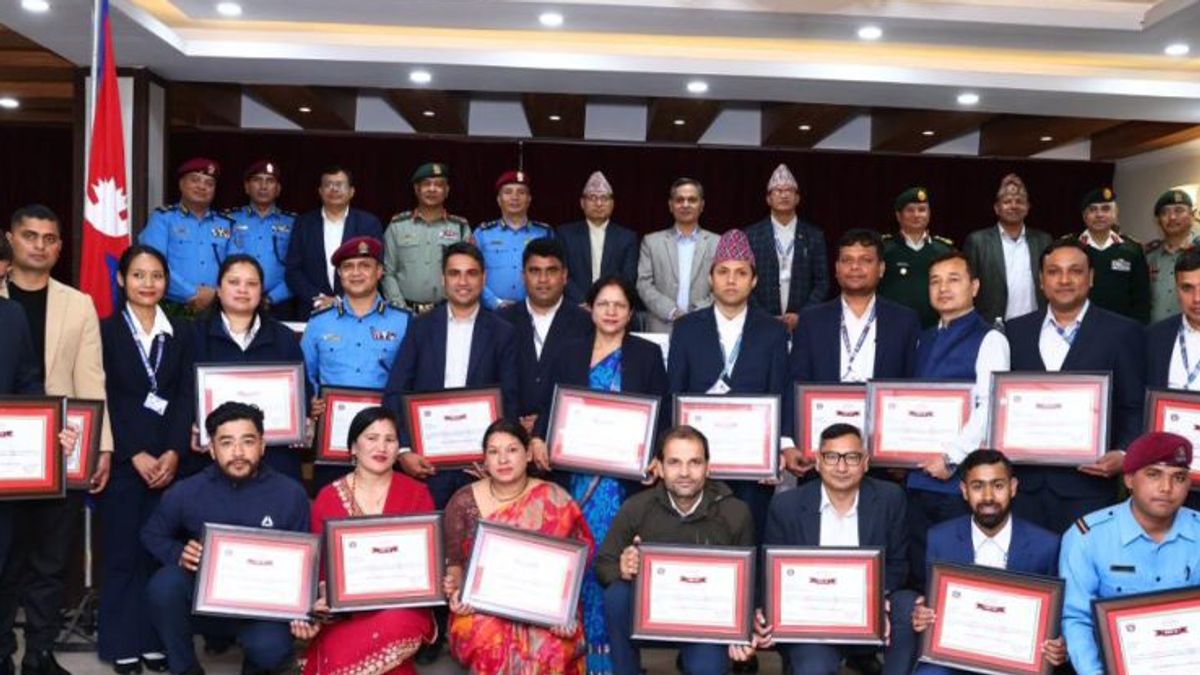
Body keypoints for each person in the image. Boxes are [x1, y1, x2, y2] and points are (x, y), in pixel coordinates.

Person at [529, 275, 669, 673]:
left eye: (619, 305)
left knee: (611, 562)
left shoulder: (646, 354)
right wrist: (537, 439)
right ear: (590, 309)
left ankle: (613, 658)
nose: (611, 312)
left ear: (630, 312)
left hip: (622, 486)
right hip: (574, 480)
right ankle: (574, 654)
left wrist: (658, 456)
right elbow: (547, 405)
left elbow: (662, 411)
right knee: (577, 559)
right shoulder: (567, 351)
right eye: (604, 304)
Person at [0, 204, 112, 675]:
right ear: (11, 239)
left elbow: (91, 378)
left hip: (61, 450)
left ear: (60, 247)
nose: (39, 245)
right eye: (30, 235)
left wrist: (101, 446)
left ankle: (40, 654)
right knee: (5, 561)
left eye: (49, 238)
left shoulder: (77, 302)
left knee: (49, 562)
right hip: (5, 455)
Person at [142, 402, 311, 675]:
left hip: (262, 605)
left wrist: (301, 611)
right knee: (165, 585)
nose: (238, 452)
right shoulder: (187, 491)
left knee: (270, 650)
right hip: (205, 601)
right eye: (227, 443)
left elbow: (304, 564)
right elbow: (152, 534)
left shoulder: (290, 494)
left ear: (262, 446)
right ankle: (185, 670)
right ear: (212, 449)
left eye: (248, 441)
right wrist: (179, 553)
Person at [98, 245, 195, 674]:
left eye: (156, 275)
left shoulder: (181, 333)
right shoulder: (104, 331)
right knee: (122, 552)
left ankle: (155, 640)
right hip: (124, 459)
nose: (148, 283)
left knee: (159, 554)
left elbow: (185, 396)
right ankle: (121, 642)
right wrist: (132, 452)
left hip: (169, 462)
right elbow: (105, 396)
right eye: (138, 275)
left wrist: (173, 451)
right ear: (122, 280)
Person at [1005, 239, 1145, 534]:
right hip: (1024, 486)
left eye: (1075, 271)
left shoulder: (1122, 331)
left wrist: (1124, 454)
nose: (1064, 280)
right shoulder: (1015, 331)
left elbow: (1133, 404)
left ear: (1090, 277)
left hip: (1089, 486)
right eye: (1054, 272)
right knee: (1030, 563)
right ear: (1041, 280)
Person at [758, 423, 917, 675]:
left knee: (908, 604)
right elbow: (772, 576)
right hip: (812, 615)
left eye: (851, 458)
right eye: (832, 457)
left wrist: (877, 600)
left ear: (865, 462)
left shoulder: (890, 498)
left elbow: (899, 564)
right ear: (818, 462)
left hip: (871, 608)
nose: (841, 468)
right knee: (813, 668)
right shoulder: (786, 506)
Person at [596, 426, 755, 675]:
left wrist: (742, 631)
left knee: (706, 669)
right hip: (651, 615)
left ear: (708, 467)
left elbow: (749, 583)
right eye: (674, 462)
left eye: (694, 462)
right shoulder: (636, 507)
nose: (684, 473)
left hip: (706, 618)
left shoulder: (735, 512)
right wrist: (622, 568)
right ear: (659, 467)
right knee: (617, 596)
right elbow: (603, 564)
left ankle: (695, 659)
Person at [667, 229, 796, 537]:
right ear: (710, 278)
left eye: (741, 273)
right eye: (723, 272)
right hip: (696, 460)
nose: (731, 280)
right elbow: (674, 390)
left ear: (754, 280)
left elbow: (780, 390)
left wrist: (776, 450)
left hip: (753, 462)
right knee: (695, 535)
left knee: (748, 533)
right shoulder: (686, 328)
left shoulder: (773, 331)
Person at [289, 407, 436, 675]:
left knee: (395, 624)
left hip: (401, 605)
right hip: (346, 610)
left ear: (398, 448)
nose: (381, 447)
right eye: (371, 438)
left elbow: (427, 562)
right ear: (353, 447)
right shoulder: (328, 497)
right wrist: (323, 600)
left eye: (390, 439)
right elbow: (321, 570)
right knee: (351, 653)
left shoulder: (417, 494)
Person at [442, 419, 593, 674]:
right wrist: (457, 593)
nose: (503, 459)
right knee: (488, 642)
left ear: (528, 454)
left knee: (552, 648)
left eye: (512, 450)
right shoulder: (463, 500)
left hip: (545, 607)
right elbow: (455, 564)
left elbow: (576, 563)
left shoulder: (554, 498)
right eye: (494, 452)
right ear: (484, 460)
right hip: (481, 607)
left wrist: (563, 611)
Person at [384, 241, 520, 508]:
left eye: (471, 273)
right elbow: (395, 391)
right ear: (443, 278)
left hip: (481, 467)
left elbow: (511, 399)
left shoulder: (503, 332)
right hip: (426, 465)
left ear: (484, 278)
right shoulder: (420, 328)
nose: (463, 282)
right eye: (455, 273)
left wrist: (498, 457)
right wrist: (403, 451)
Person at [909, 449, 1066, 675]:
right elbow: (932, 605)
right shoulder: (940, 538)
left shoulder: (1046, 545)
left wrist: (1059, 644)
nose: (988, 496)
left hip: (1017, 661)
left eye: (998, 485)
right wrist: (923, 615)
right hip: (955, 656)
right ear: (964, 491)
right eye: (977, 486)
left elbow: (1056, 616)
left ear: (1013, 488)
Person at [905, 251, 1009, 585]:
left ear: (974, 287)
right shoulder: (924, 338)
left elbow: (990, 405)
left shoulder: (989, 338)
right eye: (935, 281)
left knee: (955, 571)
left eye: (954, 280)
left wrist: (952, 456)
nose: (943, 288)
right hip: (917, 475)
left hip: (958, 479)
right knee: (920, 570)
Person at [1059, 432, 1200, 675]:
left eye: (1178, 477)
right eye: (1153, 474)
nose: (1166, 488)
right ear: (1129, 480)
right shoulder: (1088, 536)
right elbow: (1076, 619)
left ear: (1189, 483)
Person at [193, 254, 310, 480]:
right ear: (219, 290)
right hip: (212, 459)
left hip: (275, 458)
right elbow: (183, 393)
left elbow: (302, 391)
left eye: (252, 284)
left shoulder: (283, 338)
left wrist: (302, 421)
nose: (243, 290)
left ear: (261, 292)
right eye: (234, 282)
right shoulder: (195, 335)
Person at [790, 228, 920, 383]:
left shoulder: (904, 321)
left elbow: (912, 384)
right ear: (837, 269)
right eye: (847, 260)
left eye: (865, 260)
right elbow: (797, 383)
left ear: (881, 269)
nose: (855, 267)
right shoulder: (811, 320)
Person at [497, 237, 592, 427]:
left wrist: (544, 424)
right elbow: (494, 381)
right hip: (510, 431)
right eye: (534, 271)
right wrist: (514, 424)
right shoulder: (501, 321)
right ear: (523, 276)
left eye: (551, 271)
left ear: (564, 275)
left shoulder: (585, 323)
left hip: (563, 430)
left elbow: (585, 387)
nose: (543, 279)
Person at [137, 159, 233, 311]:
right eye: (195, 180)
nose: (202, 186)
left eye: (209, 183)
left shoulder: (226, 224)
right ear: (181, 184)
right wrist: (192, 293)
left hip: (218, 306)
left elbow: (237, 266)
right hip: (173, 307)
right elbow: (152, 263)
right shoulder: (162, 219)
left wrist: (216, 294)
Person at [1144, 247, 1200, 510]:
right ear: (1176, 289)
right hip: (1164, 476)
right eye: (1187, 288)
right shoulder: (1154, 337)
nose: (1197, 298)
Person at [285, 166, 383, 313]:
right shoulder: (303, 223)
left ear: (351, 191)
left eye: (339, 184)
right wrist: (319, 299)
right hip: (312, 309)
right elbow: (293, 271)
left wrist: (339, 300)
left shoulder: (368, 223)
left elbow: (375, 268)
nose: (334, 189)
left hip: (357, 309)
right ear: (320, 191)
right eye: (328, 185)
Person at [743, 163, 829, 331]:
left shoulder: (814, 236)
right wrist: (763, 316)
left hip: (803, 324)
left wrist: (802, 316)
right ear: (768, 199)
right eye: (778, 190)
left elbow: (822, 283)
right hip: (760, 322)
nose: (784, 195)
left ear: (797, 198)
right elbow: (744, 280)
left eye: (789, 190)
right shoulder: (751, 235)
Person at [962, 173, 1053, 326]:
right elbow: (967, 288)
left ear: (1028, 208)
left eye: (1019, 201)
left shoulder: (1043, 240)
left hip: (1036, 324)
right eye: (1007, 202)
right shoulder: (977, 242)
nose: (1014, 206)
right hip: (991, 325)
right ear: (997, 208)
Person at [380, 162, 472, 313]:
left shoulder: (460, 228)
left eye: (439, 185)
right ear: (417, 189)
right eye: (426, 184)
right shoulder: (397, 226)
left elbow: (467, 271)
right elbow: (387, 272)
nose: (432, 189)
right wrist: (400, 308)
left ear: (447, 191)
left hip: (447, 312)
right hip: (404, 311)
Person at [636, 178, 719, 334]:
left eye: (692, 200)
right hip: (661, 326)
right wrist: (672, 311)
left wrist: (696, 312)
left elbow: (721, 287)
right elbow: (643, 284)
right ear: (671, 205)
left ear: (701, 206)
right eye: (679, 200)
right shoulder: (651, 242)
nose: (685, 205)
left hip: (704, 325)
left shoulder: (717, 243)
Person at [224, 160, 295, 319]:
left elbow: (298, 268)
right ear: (247, 187)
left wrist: (272, 298)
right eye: (257, 180)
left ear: (278, 189)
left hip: (279, 303)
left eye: (270, 181)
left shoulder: (294, 224)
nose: (263, 186)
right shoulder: (228, 220)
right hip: (237, 299)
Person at [473, 170, 553, 310]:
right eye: (508, 192)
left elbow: (554, 273)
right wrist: (495, 302)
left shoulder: (544, 233)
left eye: (521, 192)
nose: (514, 197)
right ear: (499, 200)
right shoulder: (482, 233)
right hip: (491, 312)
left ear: (529, 199)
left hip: (535, 311)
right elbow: (472, 272)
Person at [556, 171, 639, 305]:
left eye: (604, 198)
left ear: (612, 204)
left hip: (613, 307)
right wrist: (582, 302)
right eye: (592, 198)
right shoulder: (565, 234)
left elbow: (628, 277)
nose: (599, 203)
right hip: (575, 306)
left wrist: (605, 303)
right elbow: (561, 273)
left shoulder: (627, 237)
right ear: (582, 203)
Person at [1072, 186, 1150, 323]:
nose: (1099, 215)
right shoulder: (1070, 247)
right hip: (1078, 325)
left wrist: (1138, 329)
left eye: (1106, 209)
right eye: (1093, 209)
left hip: (1121, 327)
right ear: (1084, 216)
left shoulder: (1132, 249)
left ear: (1115, 213)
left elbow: (1141, 297)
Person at [879, 187, 954, 328]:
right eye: (910, 210)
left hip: (934, 328)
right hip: (892, 327)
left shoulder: (944, 251)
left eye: (922, 210)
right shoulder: (884, 249)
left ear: (929, 214)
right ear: (898, 216)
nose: (917, 215)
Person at [1144, 188, 1199, 323]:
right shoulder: (1149, 256)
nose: (1172, 217)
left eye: (1179, 211)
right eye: (1165, 213)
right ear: (1158, 221)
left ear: (1192, 215)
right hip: (1156, 332)